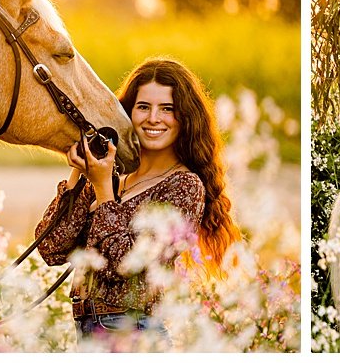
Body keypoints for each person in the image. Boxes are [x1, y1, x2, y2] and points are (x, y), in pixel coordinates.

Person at [35, 58, 242, 338]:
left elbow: (129, 264)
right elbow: (51, 247)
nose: (153, 118)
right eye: (143, 107)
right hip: (87, 331)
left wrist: (103, 191)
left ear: (185, 117)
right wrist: (78, 173)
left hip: (135, 332)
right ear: (127, 112)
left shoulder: (184, 186)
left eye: (167, 109)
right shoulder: (109, 175)